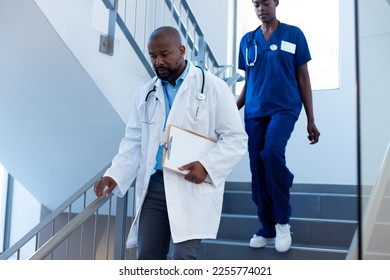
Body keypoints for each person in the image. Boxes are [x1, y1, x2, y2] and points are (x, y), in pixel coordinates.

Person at [94, 26, 248, 260]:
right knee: (147, 256)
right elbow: (134, 140)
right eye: (153, 56)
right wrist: (115, 173)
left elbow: (236, 138)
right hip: (154, 186)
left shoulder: (214, 87)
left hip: (189, 183)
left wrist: (207, 166)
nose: (158, 62)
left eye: (164, 54)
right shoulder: (146, 94)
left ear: (182, 50)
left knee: (182, 257)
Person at [236, 0, 320, 253]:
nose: (261, 8)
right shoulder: (247, 41)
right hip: (254, 112)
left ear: (276, 3)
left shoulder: (294, 34)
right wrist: (231, 110)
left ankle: (283, 222)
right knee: (258, 167)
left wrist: (311, 118)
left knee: (271, 153)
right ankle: (267, 227)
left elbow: (303, 77)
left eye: (266, 2)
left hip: (284, 108)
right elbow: (249, 81)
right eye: (256, 4)